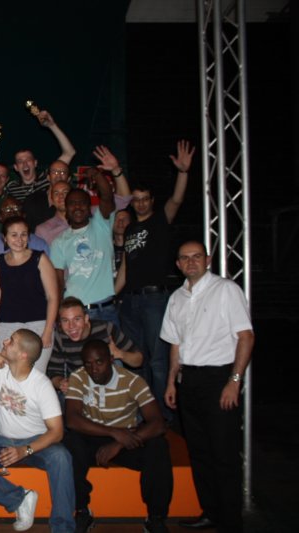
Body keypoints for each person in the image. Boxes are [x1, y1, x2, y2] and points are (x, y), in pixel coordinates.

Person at [160, 241, 254, 533]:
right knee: (199, 452)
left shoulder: (226, 290)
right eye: (185, 258)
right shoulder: (176, 297)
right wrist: (171, 381)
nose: (191, 262)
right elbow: (176, 344)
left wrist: (234, 382)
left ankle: (231, 522)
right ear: (178, 264)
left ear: (208, 259)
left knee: (224, 454)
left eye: (196, 256)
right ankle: (210, 513)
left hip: (219, 379)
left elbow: (246, 337)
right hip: (189, 380)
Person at [0, 329, 75, 533]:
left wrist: (25, 450)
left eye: (11, 341)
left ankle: (63, 528)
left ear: (23, 355)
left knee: (61, 457)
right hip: (2, 441)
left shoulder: (41, 384)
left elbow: (56, 432)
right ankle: (18, 498)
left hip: (36, 443)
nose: (4, 341)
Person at [115, 140, 194, 413]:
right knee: (137, 360)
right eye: (136, 200)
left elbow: (177, 200)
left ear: (151, 201)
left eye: (145, 199)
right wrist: (113, 294)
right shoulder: (130, 230)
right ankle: (144, 413)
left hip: (153, 298)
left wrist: (182, 172)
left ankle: (164, 416)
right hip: (130, 301)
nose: (140, 203)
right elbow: (125, 267)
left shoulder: (160, 220)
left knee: (158, 360)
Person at [64, 340, 173, 533]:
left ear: (111, 360)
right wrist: (112, 432)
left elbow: (158, 423)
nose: (94, 369)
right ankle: (82, 511)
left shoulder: (132, 381)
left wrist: (119, 442)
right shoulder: (79, 377)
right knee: (70, 443)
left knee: (158, 445)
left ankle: (156, 518)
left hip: (126, 438)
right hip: (94, 435)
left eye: (99, 362)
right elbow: (72, 419)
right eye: (88, 364)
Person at [0, 216, 59, 373]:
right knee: (7, 374)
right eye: (14, 235)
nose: (19, 239)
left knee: (35, 375)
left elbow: (53, 297)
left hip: (38, 326)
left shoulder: (40, 258)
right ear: (5, 238)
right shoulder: (0, 262)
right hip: (6, 327)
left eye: (23, 234)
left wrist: (48, 331)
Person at [50, 165, 119, 326]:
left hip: (107, 308)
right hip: (76, 312)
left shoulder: (102, 224)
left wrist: (97, 174)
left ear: (90, 208)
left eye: (82, 203)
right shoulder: (59, 241)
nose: (77, 207)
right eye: (72, 203)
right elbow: (58, 281)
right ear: (66, 209)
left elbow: (107, 196)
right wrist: (58, 313)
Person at [48, 297, 143, 395]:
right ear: (60, 323)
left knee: (117, 363)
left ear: (86, 318)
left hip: (109, 384)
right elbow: (53, 372)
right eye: (65, 320)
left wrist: (120, 354)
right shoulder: (60, 337)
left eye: (77, 319)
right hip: (81, 386)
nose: (71, 326)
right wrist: (61, 383)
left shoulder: (106, 329)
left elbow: (139, 360)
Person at [5, 110, 76, 204]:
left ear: (35, 163)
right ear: (16, 167)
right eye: (20, 161)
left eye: (28, 159)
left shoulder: (47, 178)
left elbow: (69, 153)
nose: (25, 163)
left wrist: (52, 125)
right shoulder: (11, 187)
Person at [34, 181, 71, 246]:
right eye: (56, 193)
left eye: (65, 192)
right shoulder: (43, 230)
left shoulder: (87, 221)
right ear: (51, 200)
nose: (61, 196)